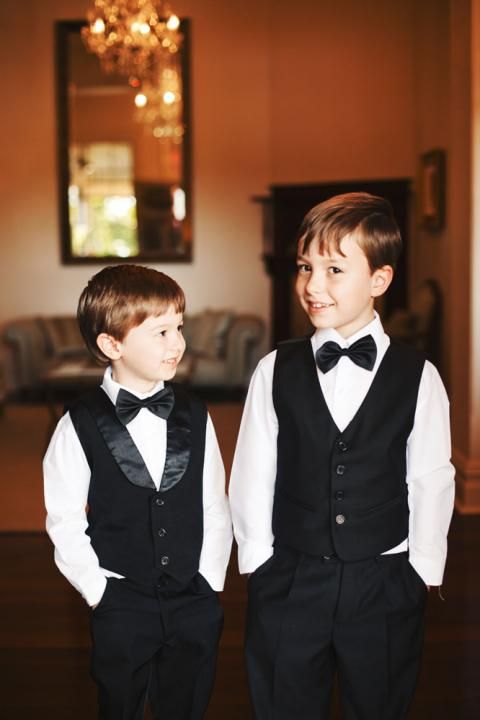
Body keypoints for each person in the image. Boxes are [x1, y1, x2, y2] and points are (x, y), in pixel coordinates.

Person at [229, 192, 455, 720]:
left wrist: (419, 572)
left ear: (379, 279)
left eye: (334, 269)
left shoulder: (418, 376)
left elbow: (430, 477)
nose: (313, 285)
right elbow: (253, 472)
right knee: (284, 700)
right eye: (306, 267)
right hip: (291, 575)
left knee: (377, 702)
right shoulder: (274, 369)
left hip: (383, 579)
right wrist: (260, 562)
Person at [44, 264, 233, 720]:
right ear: (112, 345)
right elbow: (65, 519)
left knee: (187, 703)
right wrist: (98, 591)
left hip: (193, 599)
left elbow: (214, 503)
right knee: (119, 704)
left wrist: (209, 580)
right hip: (121, 602)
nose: (178, 343)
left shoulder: (195, 411)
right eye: (161, 332)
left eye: (179, 327)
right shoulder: (78, 424)